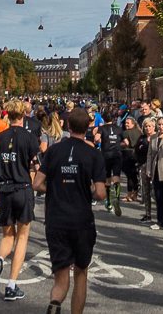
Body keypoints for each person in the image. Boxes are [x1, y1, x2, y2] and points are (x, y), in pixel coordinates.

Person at [33, 107, 106, 314]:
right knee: (81, 273)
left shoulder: (54, 150)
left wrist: (54, 188)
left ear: (68, 125)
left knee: (61, 276)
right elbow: (100, 193)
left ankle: (55, 304)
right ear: (88, 127)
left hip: (56, 220)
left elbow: (37, 184)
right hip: (81, 221)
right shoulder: (93, 154)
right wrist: (87, 190)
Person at [0, 100, 40, 301]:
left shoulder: (0, 137)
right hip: (23, 187)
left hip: (5, 189)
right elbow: (36, 165)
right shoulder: (29, 137)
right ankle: (11, 285)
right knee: (22, 237)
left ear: (8, 115)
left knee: (8, 236)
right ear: (24, 115)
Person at [94, 107, 125, 216]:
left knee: (107, 181)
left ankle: (109, 203)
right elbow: (126, 141)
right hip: (117, 155)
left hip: (106, 155)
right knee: (116, 178)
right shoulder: (118, 129)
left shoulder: (102, 129)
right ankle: (117, 198)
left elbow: (97, 139)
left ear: (103, 118)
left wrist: (100, 140)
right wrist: (117, 144)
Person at [146, 117, 163, 231]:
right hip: (156, 169)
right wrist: (149, 170)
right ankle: (161, 222)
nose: (161, 127)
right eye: (159, 124)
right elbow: (150, 154)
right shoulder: (154, 137)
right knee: (159, 196)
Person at [137, 117, 155, 224]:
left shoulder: (157, 137)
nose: (148, 128)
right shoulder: (142, 138)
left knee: (156, 192)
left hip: (154, 166)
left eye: (149, 126)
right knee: (146, 190)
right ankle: (148, 214)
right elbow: (137, 150)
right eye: (146, 126)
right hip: (144, 165)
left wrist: (142, 147)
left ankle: (161, 215)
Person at [121, 116, 141, 203]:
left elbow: (126, 143)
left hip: (127, 154)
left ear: (133, 124)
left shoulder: (125, 132)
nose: (126, 124)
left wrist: (120, 145)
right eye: (125, 123)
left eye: (128, 123)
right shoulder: (139, 132)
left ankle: (129, 195)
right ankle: (135, 195)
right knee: (134, 176)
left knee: (129, 176)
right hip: (136, 154)